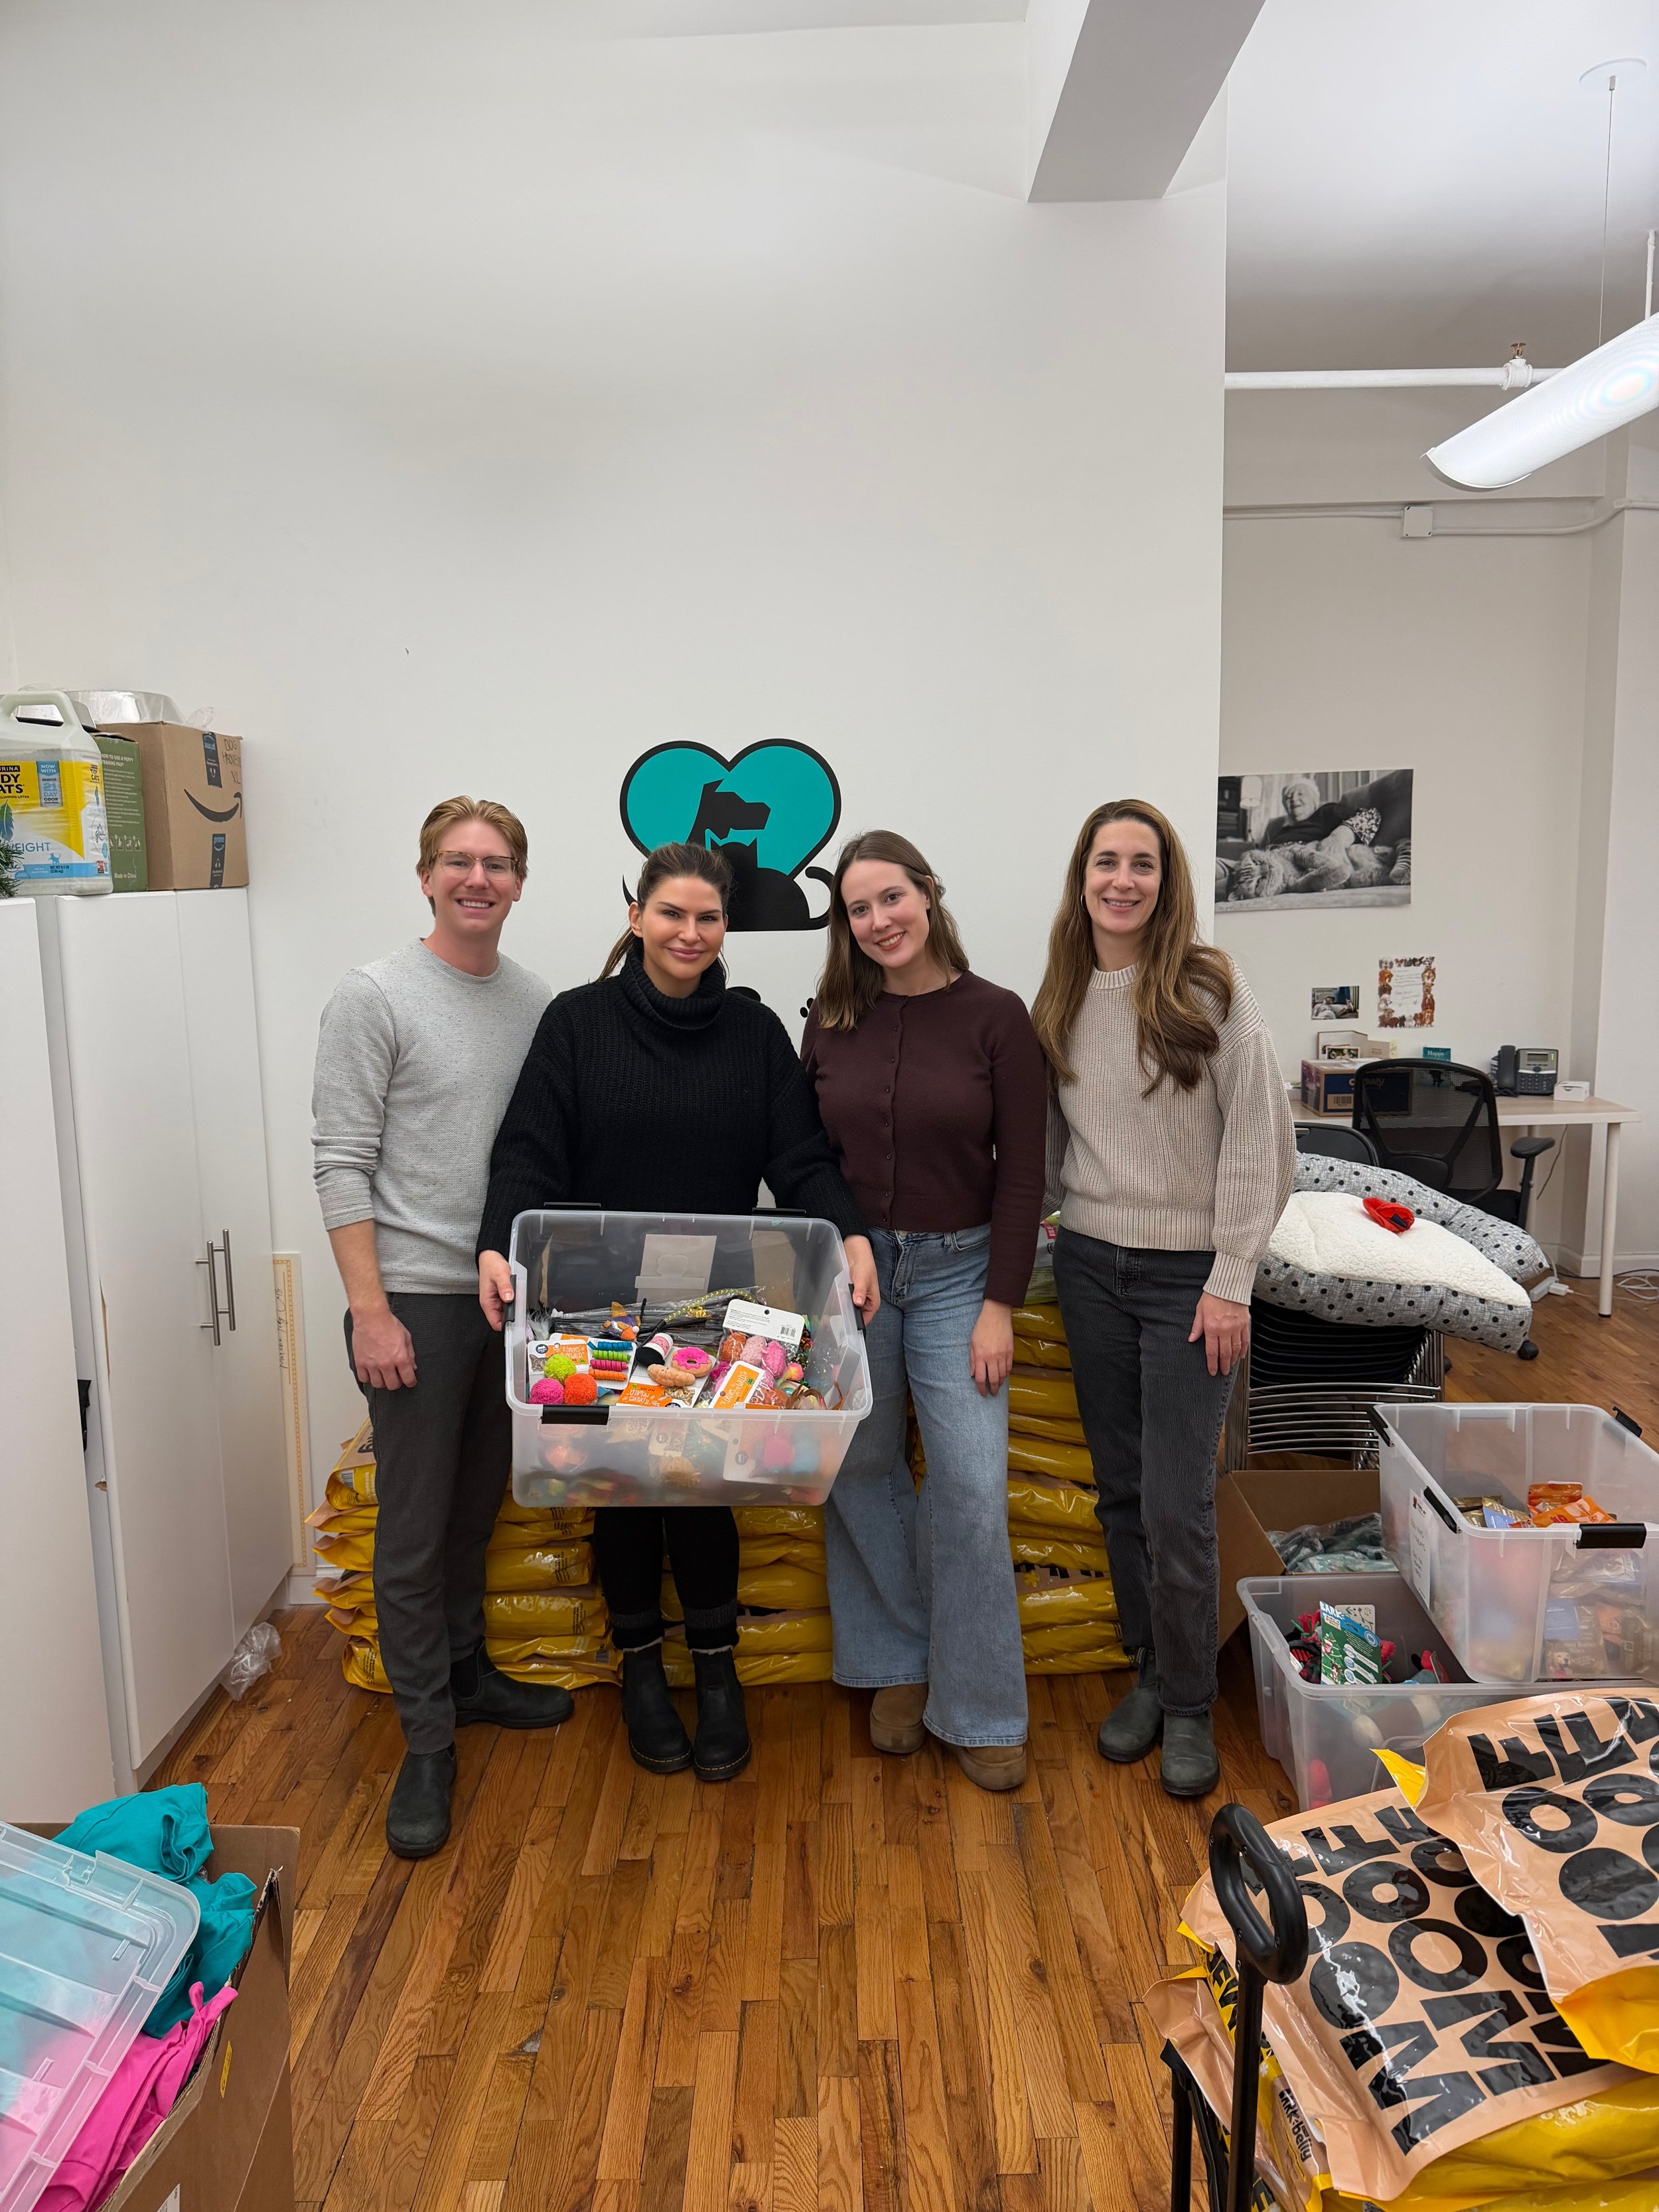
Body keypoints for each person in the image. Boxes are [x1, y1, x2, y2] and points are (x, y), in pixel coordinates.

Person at [476, 842, 878, 1783]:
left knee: (703, 1484)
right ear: (636, 917)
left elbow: (802, 1157)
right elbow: (528, 1148)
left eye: (707, 917)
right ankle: (643, 1670)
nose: (689, 933)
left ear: (725, 926)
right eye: (670, 914)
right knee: (617, 1488)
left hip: (713, 1311)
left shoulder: (754, 1033)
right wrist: (498, 1242)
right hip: (594, 1307)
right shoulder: (577, 1024)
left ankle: (717, 1668)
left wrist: (850, 1232)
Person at [313, 796, 572, 1864]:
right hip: (413, 1301)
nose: (478, 878)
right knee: (413, 1533)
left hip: (506, 1297)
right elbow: (341, 1162)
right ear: (425, 876)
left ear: (520, 883)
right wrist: (371, 1311)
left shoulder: (535, 1003)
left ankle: (466, 1676)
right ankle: (426, 1744)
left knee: (475, 1512)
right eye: (458, 861)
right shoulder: (373, 996)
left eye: (497, 863)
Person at [1033, 800, 1293, 1799]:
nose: (1123, 880)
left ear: (1167, 880)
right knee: (1121, 1491)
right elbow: (1052, 1144)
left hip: (1192, 1279)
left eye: (1142, 863)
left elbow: (1261, 1137)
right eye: (1106, 862)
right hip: (1090, 1265)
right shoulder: (1060, 991)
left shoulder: (1208, 986)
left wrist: (1233, 1278)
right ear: (1083, 877)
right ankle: (1148, 1666)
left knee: (1179, 1504)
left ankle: (1188, 1703)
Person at [803, 833, 1046, 1791]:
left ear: (930, 894)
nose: (879, 921)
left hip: (961, 1273)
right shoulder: (832, 1019)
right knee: (858, 1465)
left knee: (971, 1487)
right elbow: (807, 1153)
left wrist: (1000, 1304)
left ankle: (981, 1706)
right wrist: (845, 1237)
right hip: (855, 1271)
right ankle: (896, 1662)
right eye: (858, 909)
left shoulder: (998, 1017)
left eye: (891, 898)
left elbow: (1023, 1173)